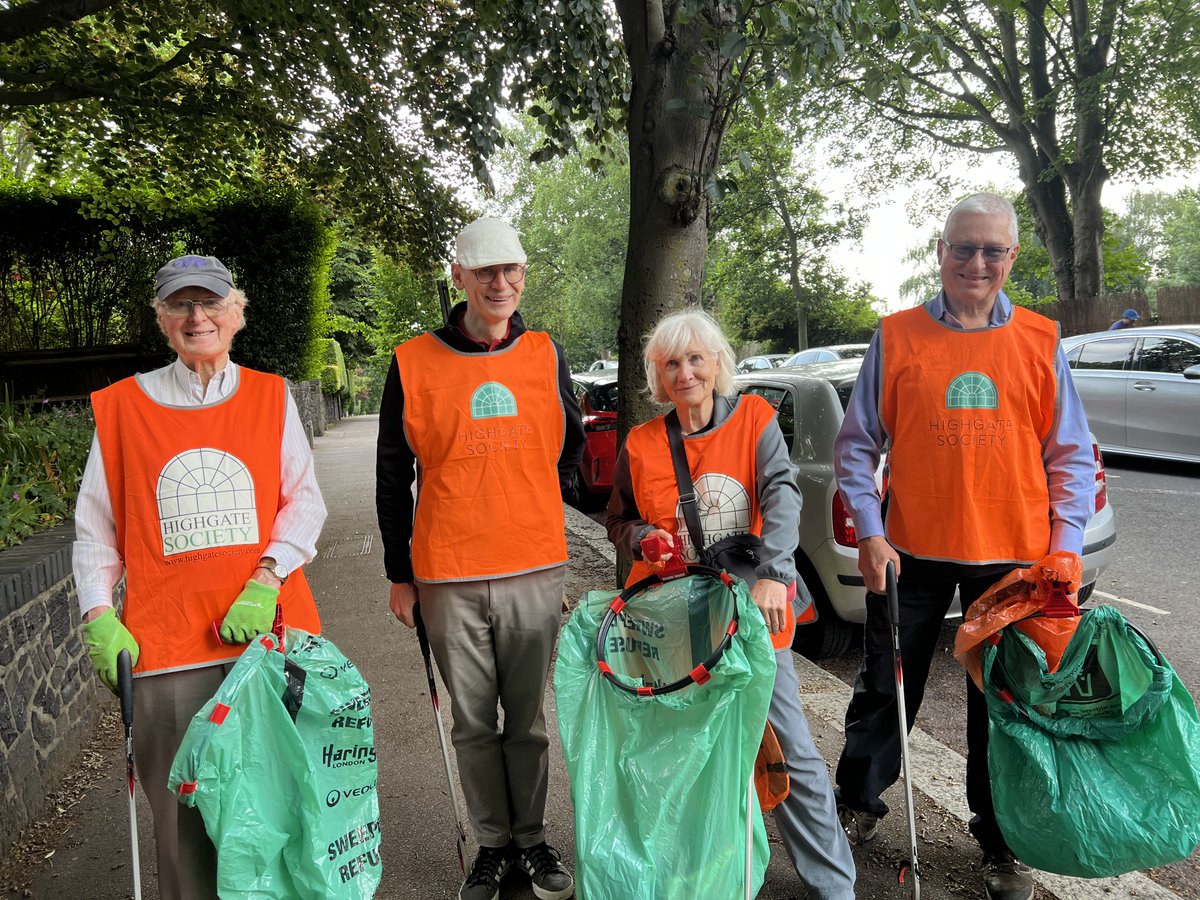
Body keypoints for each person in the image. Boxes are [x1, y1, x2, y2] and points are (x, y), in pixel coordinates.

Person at [832, 192, 1095, 900]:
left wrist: (1065, 544)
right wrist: (871, 530)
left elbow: (1070, 455)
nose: (976, 262)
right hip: (909, 551)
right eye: (963, 248)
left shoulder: (1041, 340)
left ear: (1012, 256)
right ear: (940, 252)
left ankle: (1001, 842)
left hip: (1012, 560)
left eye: (992, 250)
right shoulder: (897, 335)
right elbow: (857, 450)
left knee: (1006, 709)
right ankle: (856, 804)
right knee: (886, 689)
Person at [74, 254, 326, 900]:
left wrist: (269, 575)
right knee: (185, 840)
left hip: (266, 646)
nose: (197, 316)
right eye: (181, 304)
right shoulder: (123, 410)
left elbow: (305, 501)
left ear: (236, 313)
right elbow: (95, 532)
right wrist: (99, 615)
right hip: (166, 654)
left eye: (210, 302)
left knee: (276, 816)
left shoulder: (272, 397)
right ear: (162, 320)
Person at [606, 309, 857, 900]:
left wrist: (775, 573)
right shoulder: (640, 445)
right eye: (671, 363)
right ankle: (704, 878)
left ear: (717, 363)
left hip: (749, 617)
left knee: (789, 753)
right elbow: (618, 518)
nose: (685, 372)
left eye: (696, 359)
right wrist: (642, 537)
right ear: (657, 376)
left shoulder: (755, 419)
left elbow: (782, 492)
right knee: (689, 756)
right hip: (673, 622)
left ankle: (834, 887)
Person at [376, 217, 585, 900]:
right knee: (472, 722)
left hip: (532, 566)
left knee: (526, 720)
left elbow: (572, 447)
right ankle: (492, 844)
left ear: (523, 275)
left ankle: (532, 839)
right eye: (486, 271)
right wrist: (398, 573)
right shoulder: (412, 361)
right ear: (458, 276)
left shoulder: (546, 353)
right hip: (445, 574)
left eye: (512, 270)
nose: (501, 283)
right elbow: (390, 474)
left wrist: (522, 500)